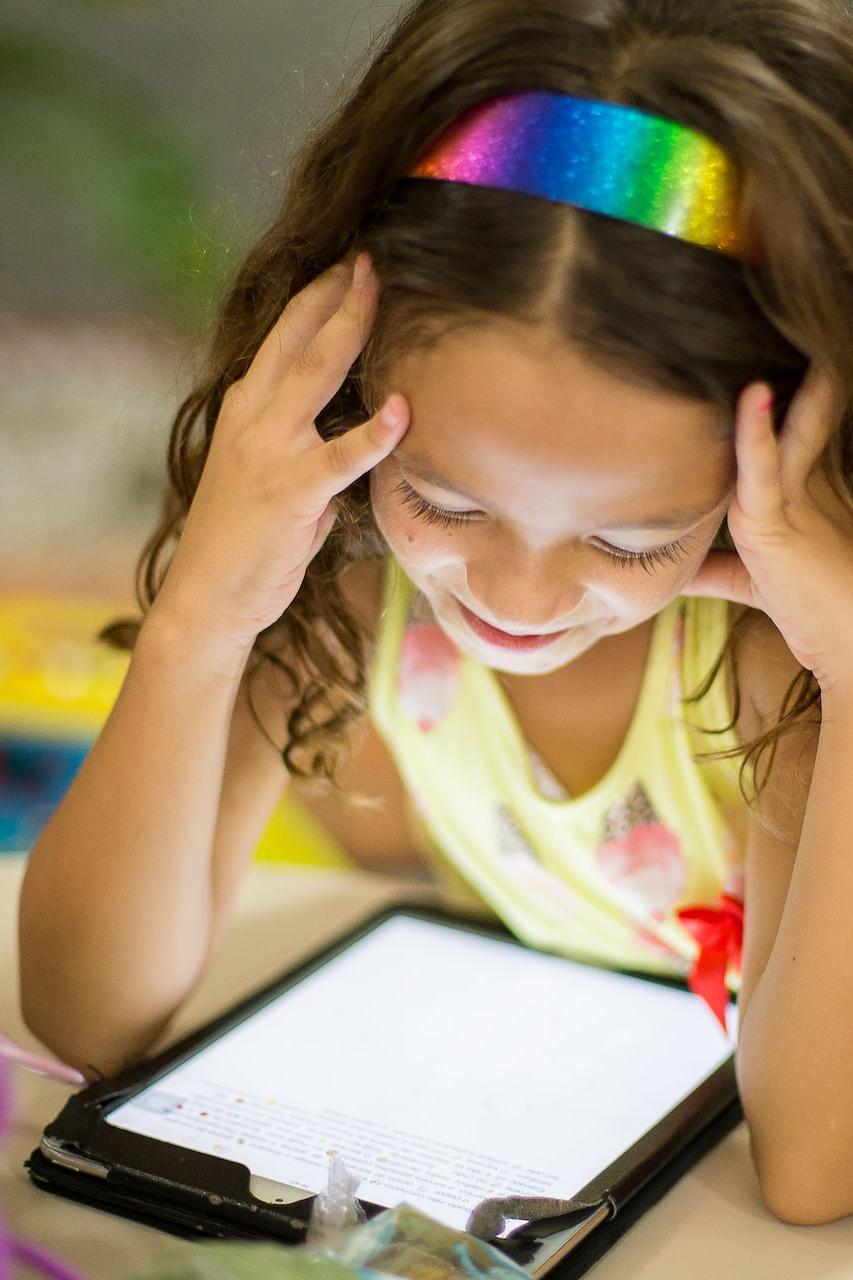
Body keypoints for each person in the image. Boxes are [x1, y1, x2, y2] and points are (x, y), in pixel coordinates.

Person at [17, 0, 853, 1227]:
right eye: (444, 501)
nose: (517, 597)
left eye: (630, 537)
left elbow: (814, 1166)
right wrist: (202, 612)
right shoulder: (351, 585)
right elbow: (86, 1017)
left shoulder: (772, 665)